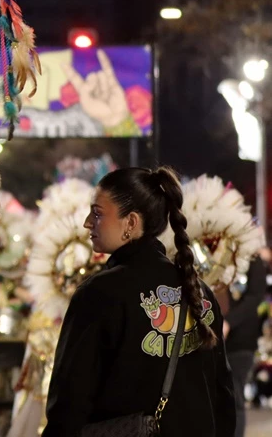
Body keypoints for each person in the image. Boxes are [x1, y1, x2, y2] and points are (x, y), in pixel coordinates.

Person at [44, 167, 236, 436]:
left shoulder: (99, 293)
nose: (88, 222)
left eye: (97, 213)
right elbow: (223, 396)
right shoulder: (201, 292)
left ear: (131, 223)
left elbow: (70, 401)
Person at [224, 252, 269, 437]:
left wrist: (228, 322)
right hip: (210, 338)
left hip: (240, 341)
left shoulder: (252, 257)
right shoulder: (207, 250)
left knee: (234, 396)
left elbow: (255, 296)